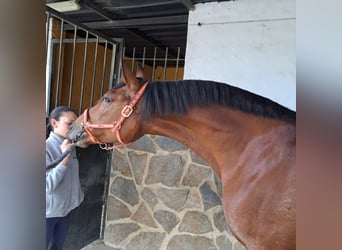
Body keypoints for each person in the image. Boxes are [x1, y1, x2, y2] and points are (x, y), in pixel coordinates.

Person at [46, 106, 84, 250]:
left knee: (56, 247)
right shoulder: (46, 149)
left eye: (75, 125)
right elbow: (48, 186)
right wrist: (64, 158)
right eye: (69, 124)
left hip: (65, 211)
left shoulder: (69, 145)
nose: (74, 128)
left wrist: (78, 196)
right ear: (54, 123)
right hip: (46, 215)